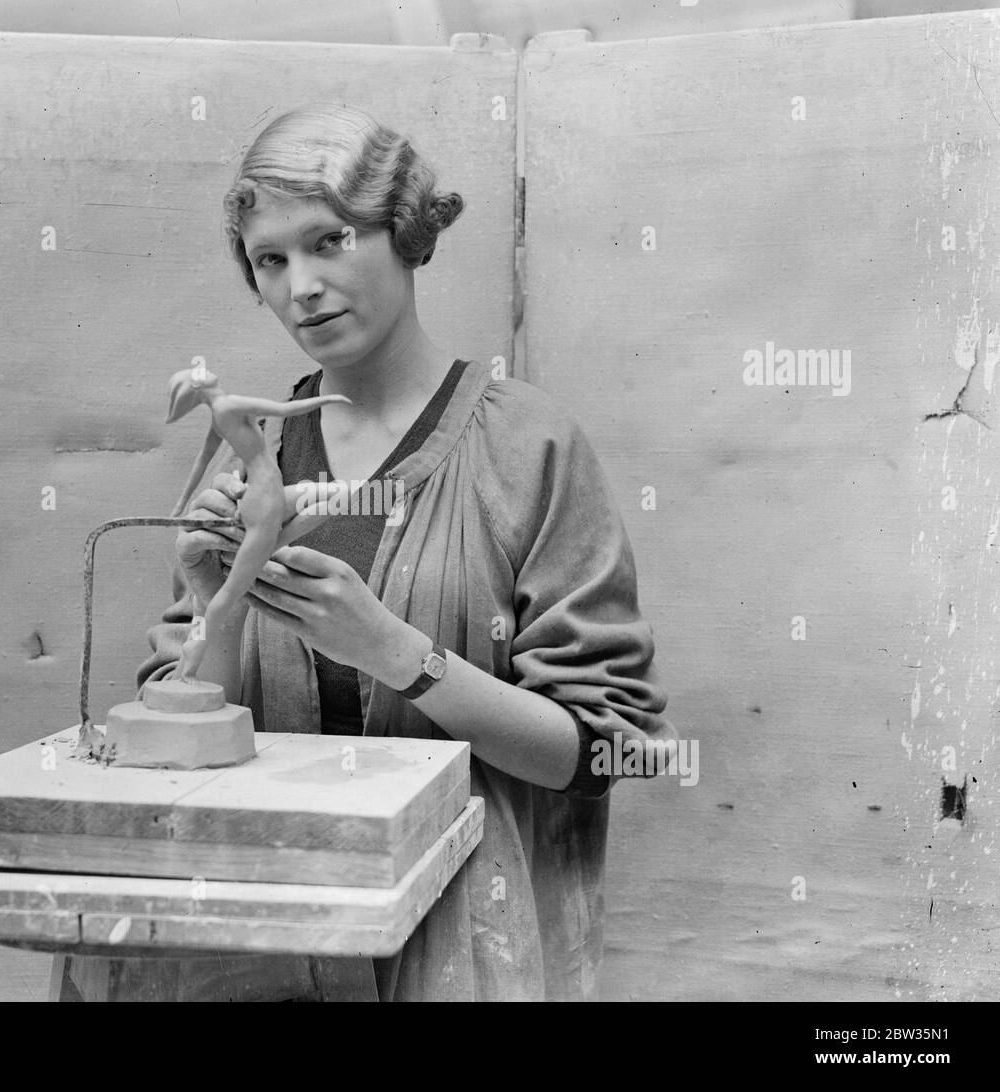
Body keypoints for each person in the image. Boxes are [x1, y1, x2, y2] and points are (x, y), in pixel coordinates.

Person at [136, 103, 676, 1001]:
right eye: (271, 260)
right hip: (260, 950)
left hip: (462, 949)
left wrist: (396, 652)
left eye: (329, 242)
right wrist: (219, 604)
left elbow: (603, 751)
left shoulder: (527, 445)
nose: (300, 285)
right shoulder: (244, 461)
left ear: (407, 236)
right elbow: (174, 743)